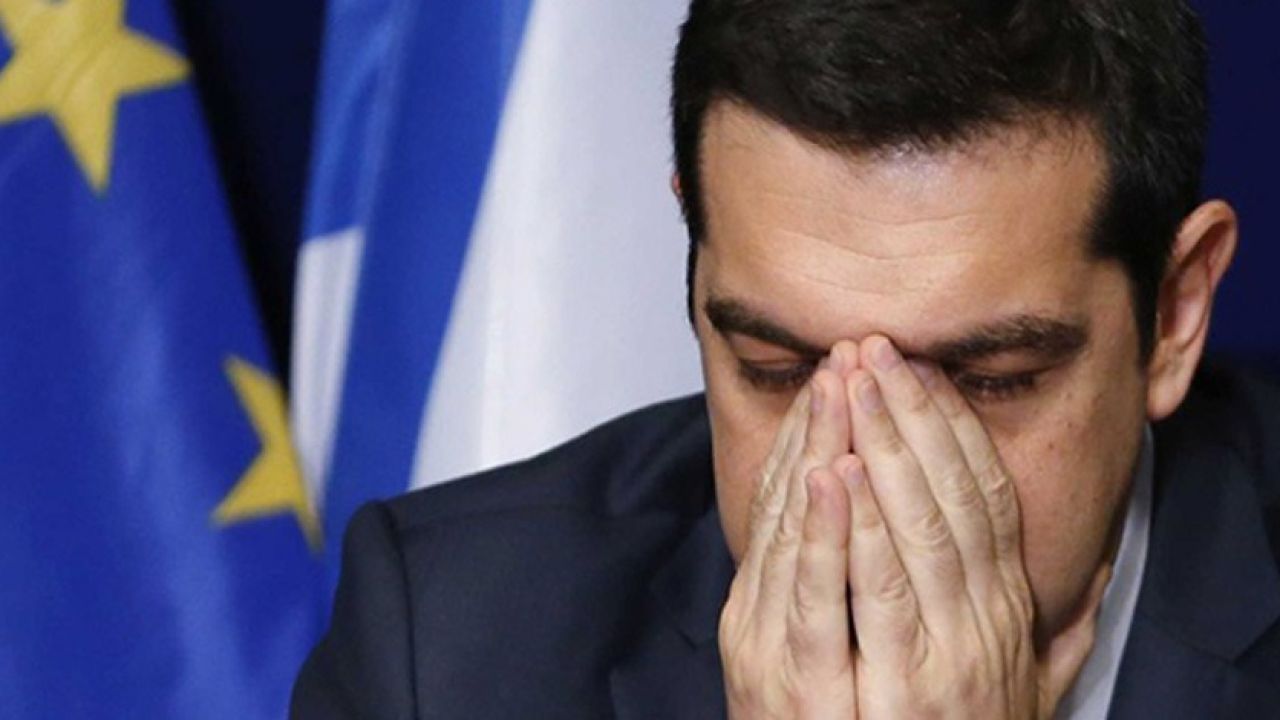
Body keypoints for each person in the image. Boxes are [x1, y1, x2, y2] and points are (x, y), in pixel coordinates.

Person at [292, 0, 1280, 717]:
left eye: (991, 381)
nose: (857, 475)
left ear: (1173, 312)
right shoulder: (445, 648)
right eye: (775, 367)